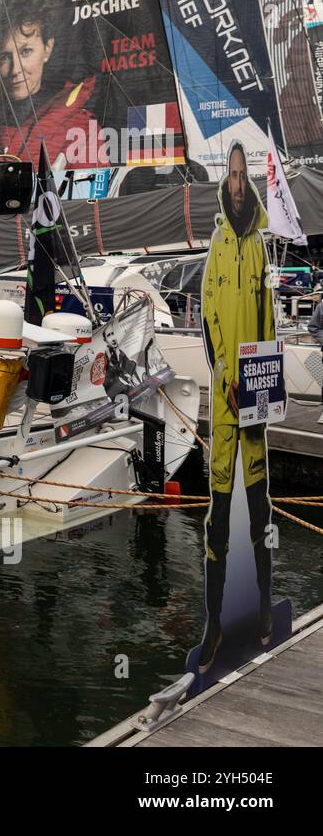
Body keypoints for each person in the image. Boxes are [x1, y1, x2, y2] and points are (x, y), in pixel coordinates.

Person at [197, 143, 275, 672]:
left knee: (262, 509)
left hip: (256, 399)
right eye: (232, 175)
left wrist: (266, 382)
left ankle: (266, 610)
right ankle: (214, 627)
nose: (239, 184)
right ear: (224, 185)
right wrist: (225, 372)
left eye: (244, 176)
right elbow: (209, 318)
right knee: (218, 516)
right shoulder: (218, 247)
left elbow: (268, 317)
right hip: (227, 398)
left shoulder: (264, 250)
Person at [0, 0, 103, 169]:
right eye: (4, 57)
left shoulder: (80, 128)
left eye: (26, 51)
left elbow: (95, 194)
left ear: (47, 48)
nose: (16, 69)